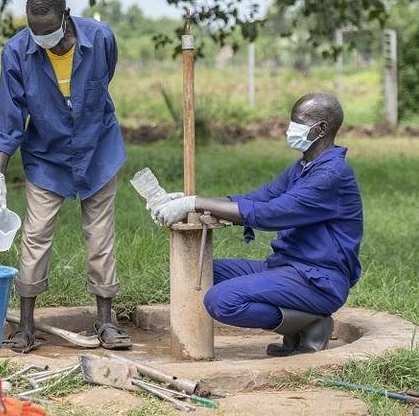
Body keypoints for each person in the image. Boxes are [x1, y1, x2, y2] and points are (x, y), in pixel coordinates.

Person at [151, 93, 363, 356]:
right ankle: (299, 323)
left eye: (298, 122)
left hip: (317, 280)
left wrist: (195, 202)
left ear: (321, 128)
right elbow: (256, 199)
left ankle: (308, 322)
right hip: (285, 267)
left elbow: (272, 213)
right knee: (196, 269)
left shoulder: (331, 175)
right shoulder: (303, 167)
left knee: (222, 300)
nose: (289, 129)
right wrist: (191, 202)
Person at [0, 0, 131, 352]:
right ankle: (26, 327)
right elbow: (9, 117)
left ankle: (106, 322)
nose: (42, 39)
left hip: (98, 149)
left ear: (66, 16)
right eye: (35, 32)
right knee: (35, 235)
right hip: (46, 155)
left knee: (100, 235)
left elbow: (105, 78)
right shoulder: (17, 52)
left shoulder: (100, 38)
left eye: (48, 31)